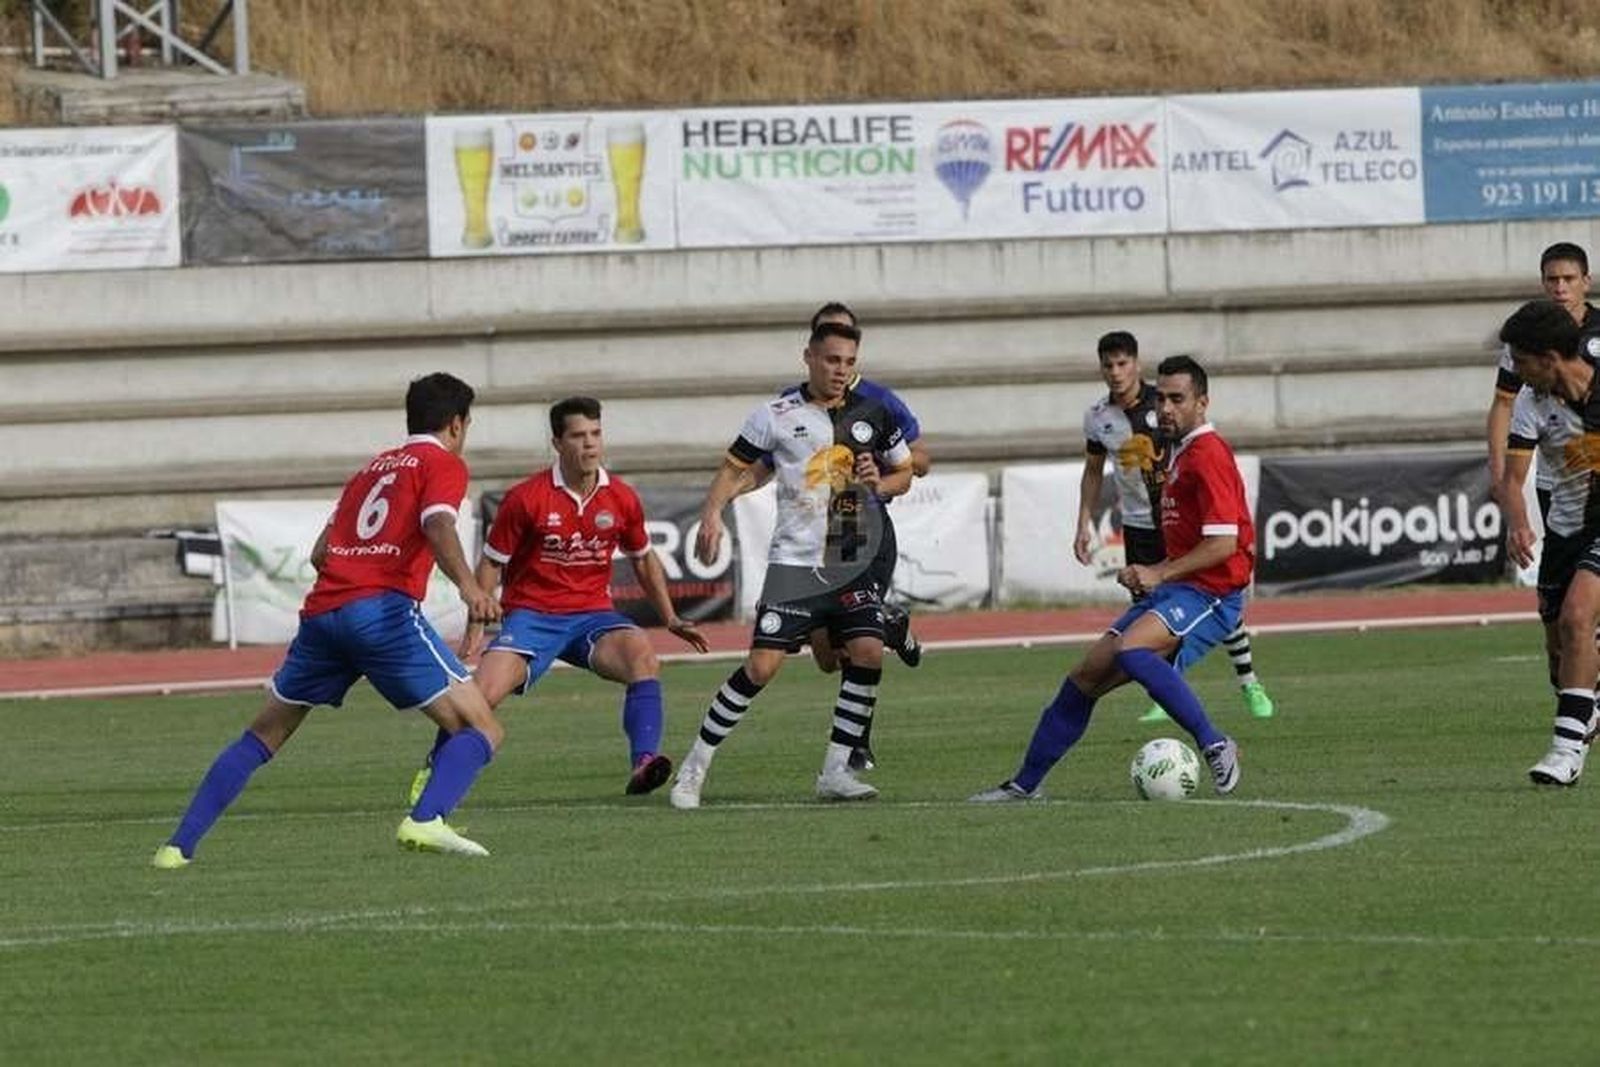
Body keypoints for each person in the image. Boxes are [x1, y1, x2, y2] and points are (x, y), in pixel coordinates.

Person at [152, 373, 506, 867]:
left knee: (262, 735)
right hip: (381, 612)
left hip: (323, 615)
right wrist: (470, 588)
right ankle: (427, 818)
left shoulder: (369, 471)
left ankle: (177, 846)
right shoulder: (442, 462)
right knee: (482, 727)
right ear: (456, 423)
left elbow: (321, 553)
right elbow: (438, 523)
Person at [971, 355, 1248, 802]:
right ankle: (1024, 785)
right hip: (1181, 588)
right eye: (1162, 398)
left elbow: (1223, 545)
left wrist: (1159, 571)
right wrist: (1150, 572)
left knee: (1133, 650)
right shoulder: (1180, 451)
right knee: (1084, 678)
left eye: (1178, 399)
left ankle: (1216, 742)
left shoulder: (1209, 454)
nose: (1167, 408)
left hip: (1214, 594)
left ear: (1203, 403)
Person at [406, 396, 710, 802]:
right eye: (579, 436)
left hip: (591, 617)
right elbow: (491, 565)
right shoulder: (526, 498)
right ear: (557, 443)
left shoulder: (620, 496)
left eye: (596, 434)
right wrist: (477, 624)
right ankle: (434, 769)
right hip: (531, 618)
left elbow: (643, 559)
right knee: (481, 694)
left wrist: (670, 616)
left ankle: (644, 762)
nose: (590, 445)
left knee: (641, 654)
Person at [670, 320, 915, 809]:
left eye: (848, 361)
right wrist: (712, 513)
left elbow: (905, 471)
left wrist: (879, 483)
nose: (840, 370)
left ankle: (835, 772)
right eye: (831, 360)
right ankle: (693, 769)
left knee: (866, 652)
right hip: (795, 564)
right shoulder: (775, 414)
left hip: (850, 558)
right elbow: (735, 468)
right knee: (761, 667)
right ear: (808, 357)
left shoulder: (875, 413)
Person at [739, 301, 931, 773]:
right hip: (811, 541)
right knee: (827, 656)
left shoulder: (879, 403)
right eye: (832, 349)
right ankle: (891, 624)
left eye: (849, 350)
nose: (841, 363)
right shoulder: (790, 404)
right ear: (814, 350)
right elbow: (766, 466)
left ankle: (855, 748)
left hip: (861, 532)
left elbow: (919, 460)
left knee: (857, 646)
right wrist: (730, 489)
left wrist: (879, 470)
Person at [1076, 330, 1274, 722]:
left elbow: (1196, 464)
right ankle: (1164, 691)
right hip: (1139, 525)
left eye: (1123, 363)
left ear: (1136, 364)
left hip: (1178, 521)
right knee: (1153, 612)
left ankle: (1249, 681)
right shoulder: (1098, 417)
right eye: (1108, 365)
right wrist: (1083, 521)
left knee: (1212, 599)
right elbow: (1094, 470)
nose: (1116, 373)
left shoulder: (1164, 407)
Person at [1496, 299, 1600, 785]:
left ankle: (1564, 753)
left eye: (1520, 360)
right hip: (1565, 529)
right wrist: (1518, 523)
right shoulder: (1529, 404)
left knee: (1580, 615)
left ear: (1550, 357)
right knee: (1560, 657)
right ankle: (1585, 710)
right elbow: (1512, 480)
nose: (1515, 371)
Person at [1486, 243, 1597, 513]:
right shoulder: (1525, 337)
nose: (1560, 288)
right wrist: (1498, 470)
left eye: (1568, 279)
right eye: (1552, 279)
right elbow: (1503, 403)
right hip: (1554, 479)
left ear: (1586, 282)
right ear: (1543, 283)